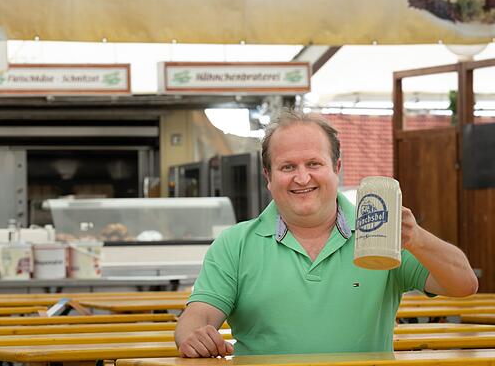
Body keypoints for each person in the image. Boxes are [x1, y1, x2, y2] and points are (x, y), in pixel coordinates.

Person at [175, 109, 478, 357]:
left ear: (337, 168)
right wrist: (194, 336)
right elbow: (198, 316)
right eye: (287, 167)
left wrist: (418, 239)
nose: (302, 177)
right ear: (268, 177)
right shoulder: (235, 244)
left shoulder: (380, 234)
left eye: (314, 163)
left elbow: (463, 283)